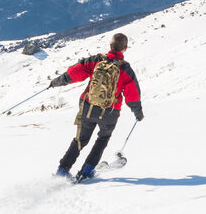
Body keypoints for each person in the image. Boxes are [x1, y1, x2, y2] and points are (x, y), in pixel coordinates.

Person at [50, 32, 143, 181]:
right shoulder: (126, 70)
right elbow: (133, 97)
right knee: (102, 139)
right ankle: (86, 171)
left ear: (110, 46)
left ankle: (62, 171)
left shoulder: (96, 60)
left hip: (88, 107)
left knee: (80, 140)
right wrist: (138, 113)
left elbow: (74, 73)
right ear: (125, 49)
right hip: (110, 113)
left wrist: (55, 82)